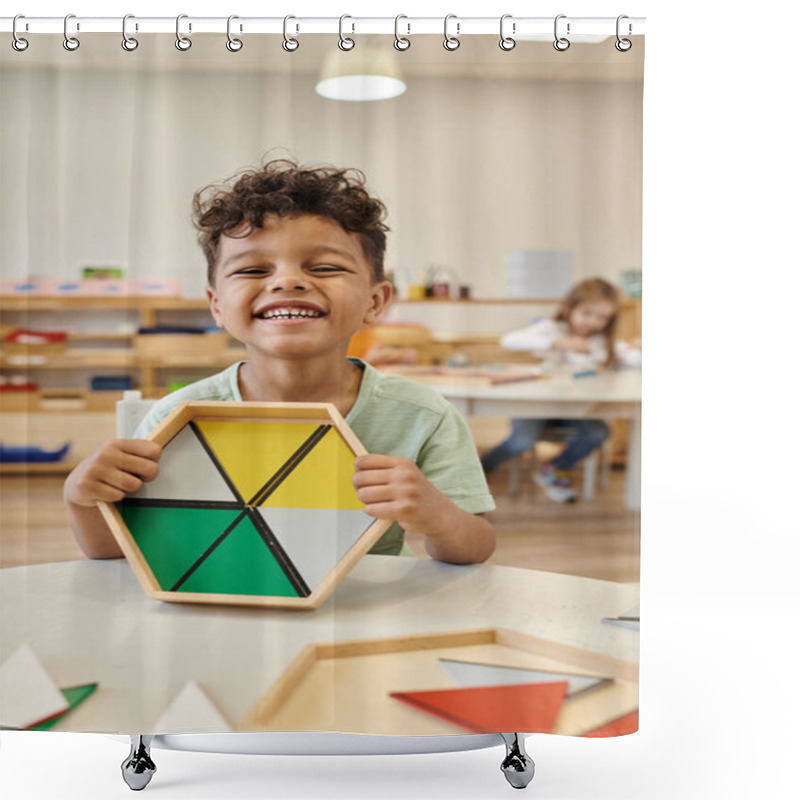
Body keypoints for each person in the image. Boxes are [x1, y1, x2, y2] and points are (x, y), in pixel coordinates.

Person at [64, 159, 496, 564]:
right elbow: (116, 555)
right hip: (225, 607)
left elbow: (475, 546)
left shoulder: (423, 416)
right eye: (252, 271)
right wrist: (80, 498)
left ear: (375, 300)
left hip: (367, 621)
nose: (287, 280)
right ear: (216, 306)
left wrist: (436, 515)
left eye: (325, 267)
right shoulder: (176, 419)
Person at [480, 278, 641, 503]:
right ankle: (480, 470)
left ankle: (555, 468)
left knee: (598, 433)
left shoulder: (603, 343)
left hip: (575, 410)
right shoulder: (551, 330)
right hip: (537, 406)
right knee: (522, 441)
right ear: (569, 308)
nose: (593, 322)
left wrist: (638, 348)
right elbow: (509, 340)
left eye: (602, 317)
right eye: (587, 313)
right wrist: (558, 343)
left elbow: (633, 360)